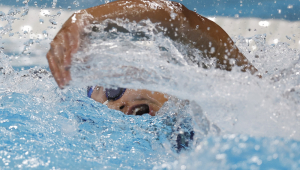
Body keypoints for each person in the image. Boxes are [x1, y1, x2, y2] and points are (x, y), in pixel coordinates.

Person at [46, 0, 259, 116]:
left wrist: (84, 20)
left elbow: (177, 20)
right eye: (104, 114)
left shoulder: (233, 87)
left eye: (112, 90)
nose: (115, 108)